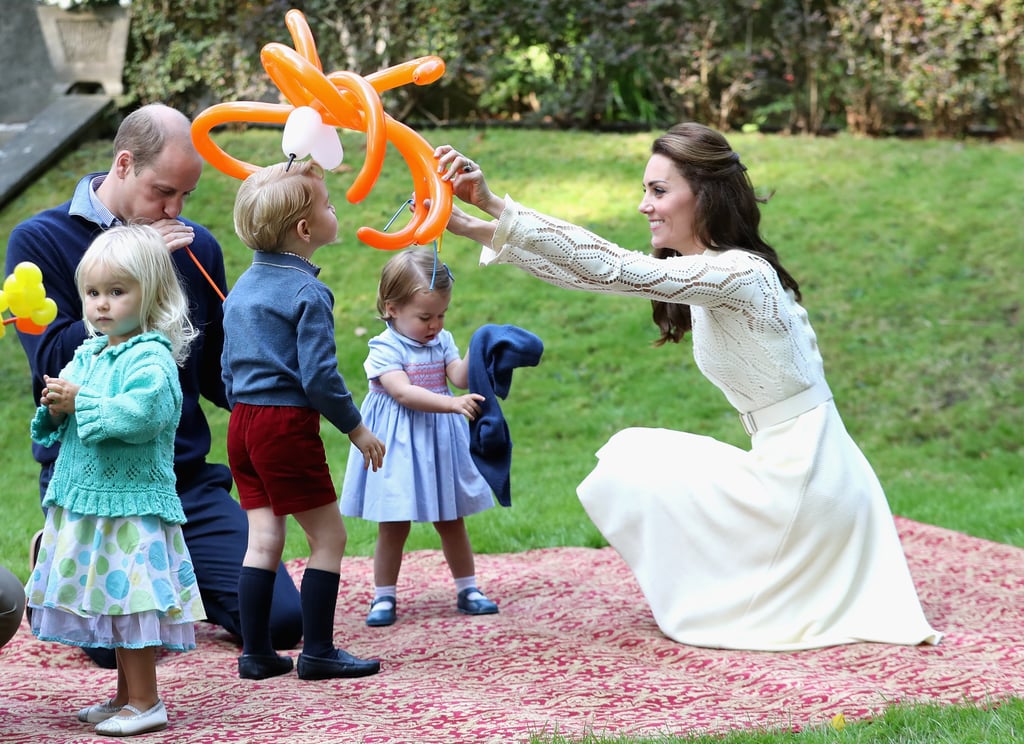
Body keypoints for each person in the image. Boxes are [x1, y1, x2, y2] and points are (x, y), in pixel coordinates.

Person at [433, 123, 942, 651]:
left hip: (811, 479)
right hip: (792, 464)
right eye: (645, 190)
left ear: (705, 195)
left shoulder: (742, 274)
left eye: (658, 191)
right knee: (627, 456)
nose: (643, 206)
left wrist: (495, 203)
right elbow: (595, 276)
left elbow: (614, 267)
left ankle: (742, 595)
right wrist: (471, 225)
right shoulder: (709, 271)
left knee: (632, 459)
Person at [5, 104, 303, 669]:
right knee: (112, 654)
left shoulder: (195, 248)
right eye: (163, 191)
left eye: (185, 196)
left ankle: (173, 580)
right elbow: (50, 359)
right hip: (98, 482)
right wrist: (140, 267)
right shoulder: (38, 240)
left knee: (282, 623)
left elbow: (217, 372)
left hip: (181, 480)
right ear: (123, 164)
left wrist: (277, 392)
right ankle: (61, 542)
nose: (174, 210)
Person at [25, 225, 207, 736]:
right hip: (89, 501)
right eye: (93, 293)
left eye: (116, 292)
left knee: (132, 605)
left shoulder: (152, 358)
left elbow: (141, 415)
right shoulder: (90, 352)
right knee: (110, 601)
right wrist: (56, 408)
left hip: (131, 507)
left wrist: (79, 401)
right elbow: (72, 419)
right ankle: (125, 696)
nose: (102, 305)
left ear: (151, 294)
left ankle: (148, 701)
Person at [224, 161, 385, 680]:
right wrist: (356, 427)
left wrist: (246, 406)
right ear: (305, 229)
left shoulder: (244, 285)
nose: (334, 209)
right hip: (283, 427)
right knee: (329, 538)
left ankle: (256, 654)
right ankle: (317, 651)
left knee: (263, 539)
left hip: (242, 425)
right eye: (328, 204)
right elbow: (319, 378)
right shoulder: (308, 292)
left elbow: (227, 367)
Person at [340, 247, 500, 627]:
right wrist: (451, 405)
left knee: (451, 517)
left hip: (437, 441)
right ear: (392, 308)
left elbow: (457, 375)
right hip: (398, 441)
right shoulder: (385, 347)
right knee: (394, 521)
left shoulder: (441, 340)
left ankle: (468, 587)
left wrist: (483, 356)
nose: (435, 324)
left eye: (442, 314)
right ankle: (384, 596)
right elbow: (403, 392)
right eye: (425, 316)